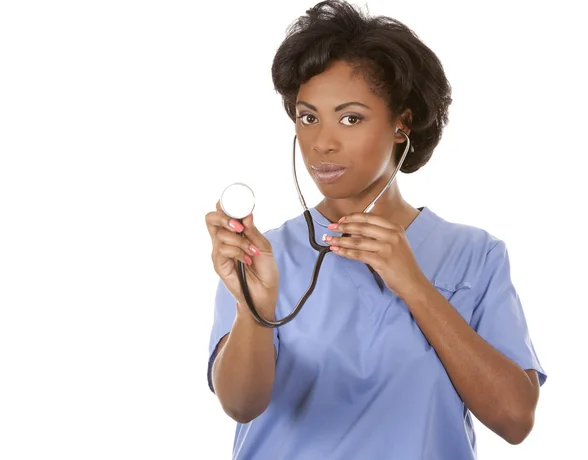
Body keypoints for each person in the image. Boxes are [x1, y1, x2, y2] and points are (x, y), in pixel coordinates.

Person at [204, 1, 547, 458]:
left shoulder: (474, 254)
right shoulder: (266, 256)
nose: (322, 142)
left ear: (402, 123)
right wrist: (254, 309)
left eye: (351, 118)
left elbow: (515, 419)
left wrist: (414, 286)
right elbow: (241, 405)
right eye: (308, 117)